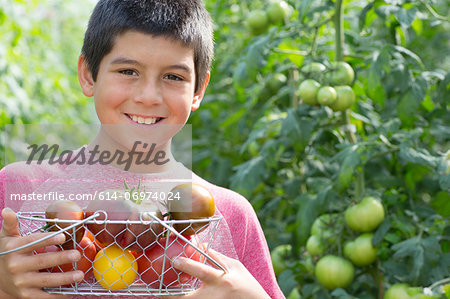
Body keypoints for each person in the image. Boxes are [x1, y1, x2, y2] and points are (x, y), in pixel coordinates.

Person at [0, 1, 285, 298]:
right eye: (128, 71)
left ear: (198, 90)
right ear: (88, 75)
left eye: (173, 77)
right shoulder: (19, 188)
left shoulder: (230, 214)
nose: (149, 97)